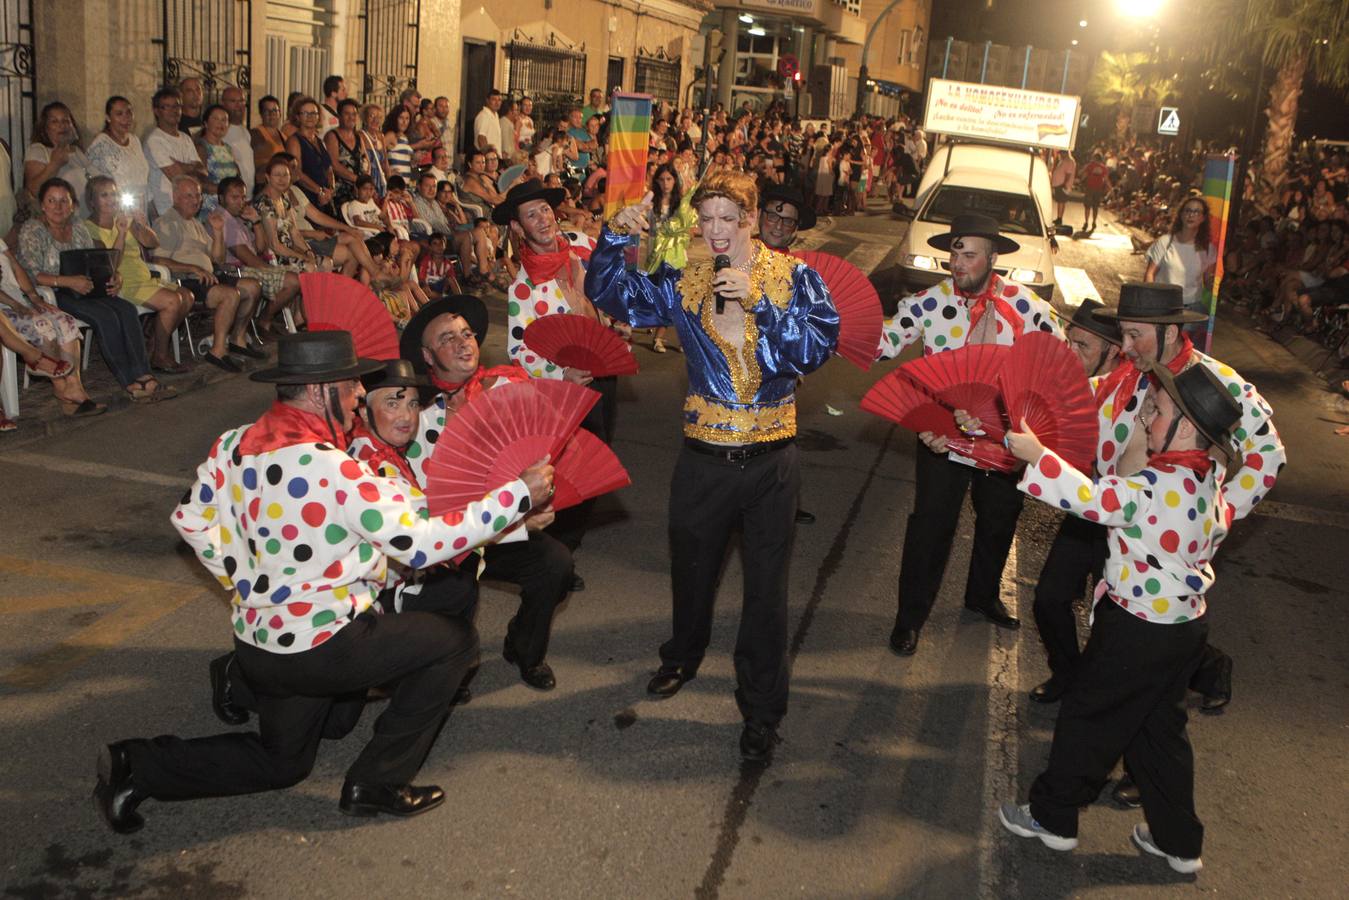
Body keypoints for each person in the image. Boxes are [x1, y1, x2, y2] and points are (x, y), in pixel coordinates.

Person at [93, 330, 552, 834]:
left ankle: (137, 765)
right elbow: (419, 544)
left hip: (258, 645)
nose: (359, 398)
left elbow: (190, 520)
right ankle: (376, 782)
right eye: (353, 386)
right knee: (454, 642)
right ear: (319, 391)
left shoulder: (235, 443)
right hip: (322, 647)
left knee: (284, 763)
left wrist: (244, 583)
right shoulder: (331, 467)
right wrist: (515, 497)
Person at [587, 168, 839, 764]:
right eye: (707, 219)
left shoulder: (795, 278)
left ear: (752, 220)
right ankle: (681, 657)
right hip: (703, 459)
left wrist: (761, 306)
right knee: (692, 572)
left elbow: (814, 349)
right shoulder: (685, 279)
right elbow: (613, 295)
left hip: (772, 464)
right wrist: (612, 238)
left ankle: (761, 710)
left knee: (767, 595)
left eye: (729, 218)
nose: (717, 230)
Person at [999, 362, 1245, 877]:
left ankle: (1053, 819)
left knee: (1087, 718)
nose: (1147, 416)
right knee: (1160, 734)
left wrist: (1038, 456)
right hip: (1184, 629)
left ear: (1187, 429)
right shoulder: (1209, 476)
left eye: (1158, 412)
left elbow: (1094, 500)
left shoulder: (1161, 484)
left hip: (1140, 629)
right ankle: (1179, 842)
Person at [1087, 282, 1285, 804]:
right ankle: (1095, 733)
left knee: (1149, 666)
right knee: (1119, 651)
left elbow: (1267, 457)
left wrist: (1210, 519)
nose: (1124, 346)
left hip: (1165, 554)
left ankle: (1117, 762)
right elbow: (1074, 416)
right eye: (1122, 333)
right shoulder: (1123, 380)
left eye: (1134, 335)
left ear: (1171, 332)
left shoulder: (1217, 384)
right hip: (1112, 529)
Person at [876, 213, 1065, 657]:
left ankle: (982, 597)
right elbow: (884, 345)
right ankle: (910, 620)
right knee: (930, 528)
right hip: (941, 435)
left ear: (993, 259)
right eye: (954, 253)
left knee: (999, 523)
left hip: (1003, 439)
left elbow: (1059, 362)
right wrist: (833, 322)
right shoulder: (928, 302)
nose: (957, 263)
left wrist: (1029, 417)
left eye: (969, 255)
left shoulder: (1028, 307)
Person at [400, 296, 576, 690]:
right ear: (428, 356)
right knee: (454, 588)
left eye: (466, 333)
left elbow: (541, 449)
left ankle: (525, 649)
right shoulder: (415, 416)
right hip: (446, 540)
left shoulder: (506, 389)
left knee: (556, 564)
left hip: (503, 526)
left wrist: (534, 507)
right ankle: (449, 666)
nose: (464, 343)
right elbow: (428, 511)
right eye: (448, 338)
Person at [497, 179, 607, 586]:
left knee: (596, 464)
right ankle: (558, 556)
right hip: (561, 391)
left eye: (544, 209)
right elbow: (519, 351)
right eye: (531, 215)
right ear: (518, 228)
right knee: (565, 473)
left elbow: (615, 290)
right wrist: (560, 373)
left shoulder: (582, 246)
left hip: (603, 371)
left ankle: (565, 548)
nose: (541, 219)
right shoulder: (521, 287)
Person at [1026, 299, 1122, 705]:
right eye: (1070, 341)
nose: (1071, 352)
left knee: (1125, 620)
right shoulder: (1072, 385)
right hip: (1085, 511)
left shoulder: (1132, 396)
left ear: (1113, 352)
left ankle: (1207, 667)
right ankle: (1067, 673)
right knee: (1049, 597)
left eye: (1083, 346)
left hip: (1125, 519)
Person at [18, 178, 171, 401]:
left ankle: (144, 374)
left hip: (84, 287)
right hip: (51, 292)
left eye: (64, 201)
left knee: (126, 309)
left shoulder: (78, 228)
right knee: (106, 317)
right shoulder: (33, 229)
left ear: (72, 205)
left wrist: (114, 276)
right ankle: (128, 381)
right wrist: (68, 281)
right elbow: (32, 274)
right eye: (52, 201)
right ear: (42, 204)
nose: (58, 207)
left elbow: (94, 261)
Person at [755, 184, 820, 527]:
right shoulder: (739, 257)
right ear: (760, 216)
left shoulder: (800, 273)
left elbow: (808, 324)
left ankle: (784, 505)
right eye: (773, 216)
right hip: (737, 370)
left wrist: (797, 362)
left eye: (788, 222)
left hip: (781, 371)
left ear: (796, 230)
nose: (778, 226)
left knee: (782, 442)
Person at [83, 176, 194, 374]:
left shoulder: (125, 219)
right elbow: (109, 264)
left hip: (144, 278)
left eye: (115, 194)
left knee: (187, 297)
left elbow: (152, 243)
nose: (111, 199)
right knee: (172, 301)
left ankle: (153, 343)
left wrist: (141, 225)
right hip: (121, 283)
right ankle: (160, 355)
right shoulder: (88, 228)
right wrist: (122, 234)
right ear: (92, 201)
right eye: (104, 195)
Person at [152, 175, 261, 372]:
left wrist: (218, 232)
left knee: (252, 286)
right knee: (230, 295)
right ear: (175, 197)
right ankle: (218, 350)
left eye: (198, 196)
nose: (195, 200)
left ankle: (238, 339)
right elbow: (158, 260)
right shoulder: (166, 223)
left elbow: (218, 259)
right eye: (189, 196)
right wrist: (193, 268)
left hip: (208, 276)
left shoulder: (196, 224)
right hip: (185, 280)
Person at [0, 238, 101, 416]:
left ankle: (74, 386)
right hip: (4, 309)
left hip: (18, 300)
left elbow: (15, 266)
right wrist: (17, 305)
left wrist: (34, 296)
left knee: (65, 321)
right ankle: (62, 389)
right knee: (42, 326)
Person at [216, 176, 303, 338]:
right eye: (234, 197)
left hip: (251, 266)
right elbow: (247, 257)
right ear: (221, 198)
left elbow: (260, 248)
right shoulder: (223, 220)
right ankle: (264, 319)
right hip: (236, 271)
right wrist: (274, 271)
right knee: (292, 280)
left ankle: (267, 320)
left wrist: (256, 221)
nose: (240, 202)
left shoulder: (236, 219)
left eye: (242, 197)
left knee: (299, 274)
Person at [645, 163, 698, 354]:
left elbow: (691, 230)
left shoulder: (682, 204)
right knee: (662, 299)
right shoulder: (651, 204)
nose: (665, 183)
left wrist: (679, 235)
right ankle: (659, 336)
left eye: (669, 179)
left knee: (679, 299)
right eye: (662, 179)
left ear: (674, 181)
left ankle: (668, 338)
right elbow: (651, 233)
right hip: (658, 258)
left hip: (677, 258)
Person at [1145, 197, 1217, 336]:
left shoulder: (1208, 249)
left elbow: (1208, 282)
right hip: (1164, 306)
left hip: (1191, 309)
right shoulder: (1165, 242)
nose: (1191, 215)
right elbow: (1149, 274)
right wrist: (1152, 300)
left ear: (1203, 218)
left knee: (1182, 349)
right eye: (1188, 210)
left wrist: (1214, 283)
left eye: (1197, 212)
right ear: (1181, 214)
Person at [145, 87, 209, 218]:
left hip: (188, 210)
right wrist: (192, 167)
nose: (173, 111)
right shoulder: (155, 140)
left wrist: (183, 166)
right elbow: (176, 178)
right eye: (167, 107)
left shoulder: (185, 138)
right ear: (156, 111)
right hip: (165, 210)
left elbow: (203, 173)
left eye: (176, 106)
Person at [24, 101, 91, 217]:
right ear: (45, 128)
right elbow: (34, 190)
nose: (61, 125)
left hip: (85, 218)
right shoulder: (38, 150)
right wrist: (55, 164)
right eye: (54, 121)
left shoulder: (78, 151)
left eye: (65, 121)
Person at [86, 96, 151, 216]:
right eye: (119, 114)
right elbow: (98, 185)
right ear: (108, 118)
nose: (125, 118)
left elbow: (143, 177)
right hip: (117, 211)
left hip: (141, 208)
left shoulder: (135, 140)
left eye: (129, 113)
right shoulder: (101, 145)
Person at [286, 97, 336, 214]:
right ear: (297, 117)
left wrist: (331, 190)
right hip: (307, 196)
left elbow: (329, 169)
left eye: (314, 113)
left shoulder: (319, 140)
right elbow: (297, 173)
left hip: (325, 196)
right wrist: (319, 191)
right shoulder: (294, 141)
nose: (310, 116)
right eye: (305, 113)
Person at [195, 104, 242, 209]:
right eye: (216, 119)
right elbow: (201, 182)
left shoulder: (228, 148)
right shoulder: (201, 147)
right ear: (206, 123)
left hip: (229, 207)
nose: (221, 123)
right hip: (210, 207)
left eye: (224, 120)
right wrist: (226, 192)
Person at [325, 98, 368, 210]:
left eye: (354, 114)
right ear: (339, 116)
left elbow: (365, 160)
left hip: (359, 191)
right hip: (340, 191)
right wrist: (357, 180)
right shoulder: (332, 136)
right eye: (347, 114)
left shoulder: (359, 137)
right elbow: (334, 165)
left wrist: (366, 182)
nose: (351, 117)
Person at [219, 86, 255, 190]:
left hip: (246, 195)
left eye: (241, 101)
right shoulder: (221, 132)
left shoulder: (245, 132)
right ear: (223, 103)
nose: (238, 105)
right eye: (233, 101)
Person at [249, 95, 287, 189]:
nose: (271, 114)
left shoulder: (284, 136)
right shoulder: (255, 134)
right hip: (265, 185)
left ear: (280, 113)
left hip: (281, 185)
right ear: (261, 114)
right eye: (267, 111)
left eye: (275, 110)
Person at [359, 103, 389, 198]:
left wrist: (390, 183)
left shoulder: (381, 136)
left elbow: (385, 162)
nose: (376, 120)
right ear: (365, 118)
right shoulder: (360, 135)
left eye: (379, 117)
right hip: (367, 179)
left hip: (380, 180)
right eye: (372, 116)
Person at [382, 106, 416, 180]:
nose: (404, 122)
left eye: (407, 118)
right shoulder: (391, 135)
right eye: (401, 118)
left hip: (405, 183)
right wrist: (387, 171)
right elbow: (377, 155)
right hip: (394, 183)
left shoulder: (405, 137)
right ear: (395, 119)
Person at [1080, 151, 1110, 232]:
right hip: (1098, 189)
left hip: (1090, 188)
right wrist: (1109, 187)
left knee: (1087, 206)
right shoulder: (1104, 168)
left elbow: (1084, 175)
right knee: (1095, 207)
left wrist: (1080, 181)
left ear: (1094, 158)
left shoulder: (1090, 165)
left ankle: (1086, 222)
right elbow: (1106, 179)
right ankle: (1094, 222)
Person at [474, 89, 503, 154]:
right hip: (488, 159)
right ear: (487, 100)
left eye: (499, 100)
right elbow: (481, 138)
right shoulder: (484, 116)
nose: (497, 103)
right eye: (494, 99)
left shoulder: (495, 115)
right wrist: (488, 156)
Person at [1051, 149, 1076, 226]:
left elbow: (1068, 174)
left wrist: (1064, 183)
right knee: (1060, 202)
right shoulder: (1064, 160)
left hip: (1062, 184)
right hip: (1060, 184)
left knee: (1061, 202)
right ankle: (1059, 217)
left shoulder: (1069, 161)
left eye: (1061, 153)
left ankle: (1059, 218)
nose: (1060, 155)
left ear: (1065, 153)